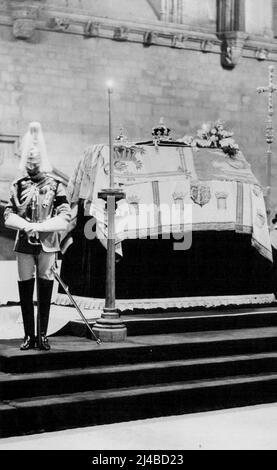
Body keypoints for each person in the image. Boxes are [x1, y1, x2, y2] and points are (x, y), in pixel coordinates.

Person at [4, 122, 71, 351]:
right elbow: (8, 214)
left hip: (47, 243)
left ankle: (42, 335)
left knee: (45, 286)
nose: (32, 162)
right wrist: (25, 226)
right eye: (29, 158)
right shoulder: (18, 184)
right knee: (25, 287)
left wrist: (41, 227)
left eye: (35, 158)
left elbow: (65, 216)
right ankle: (28, 335)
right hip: (23, 242)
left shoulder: (55, 185)